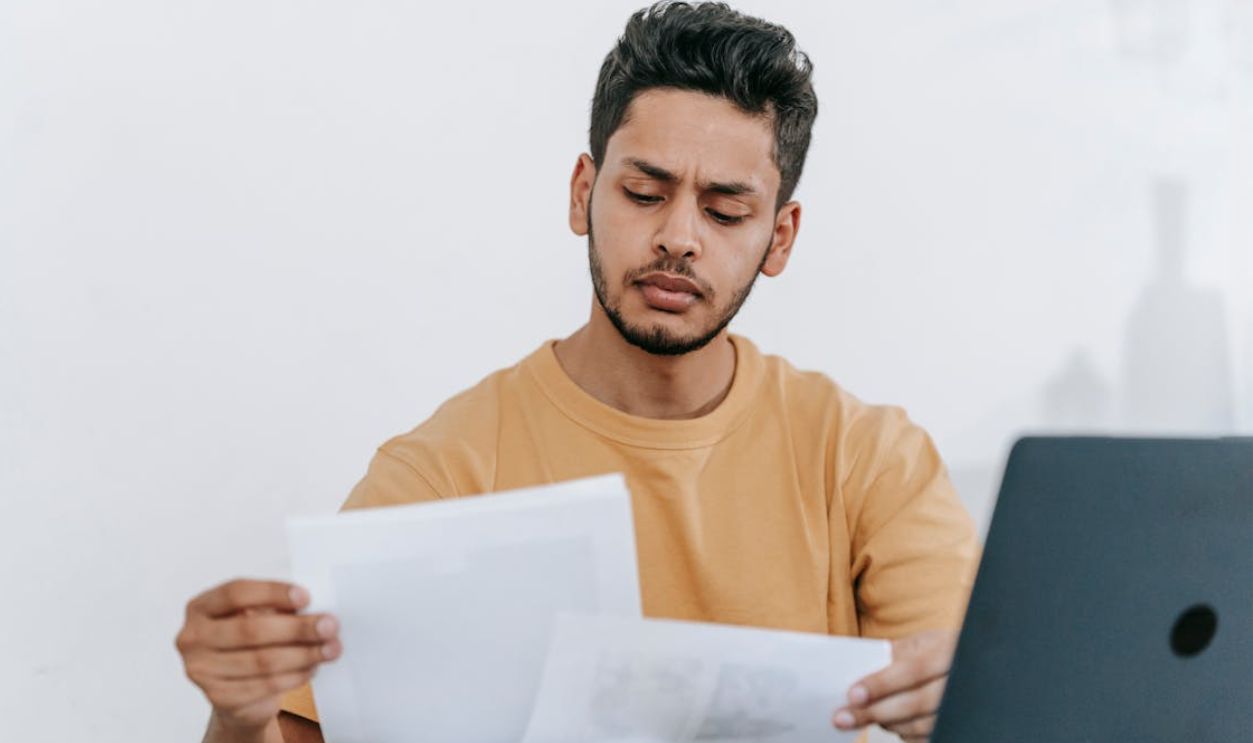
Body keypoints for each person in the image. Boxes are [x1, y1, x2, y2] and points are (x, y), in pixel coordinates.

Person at [174, 3, 979, 742]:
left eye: (725, 210)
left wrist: (973, 702)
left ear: (779, 237)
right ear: (583, 193)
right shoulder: (446, 469)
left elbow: (990, 707)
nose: (679, 237)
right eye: (642, 191)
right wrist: (236, 716)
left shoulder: (867, 457)